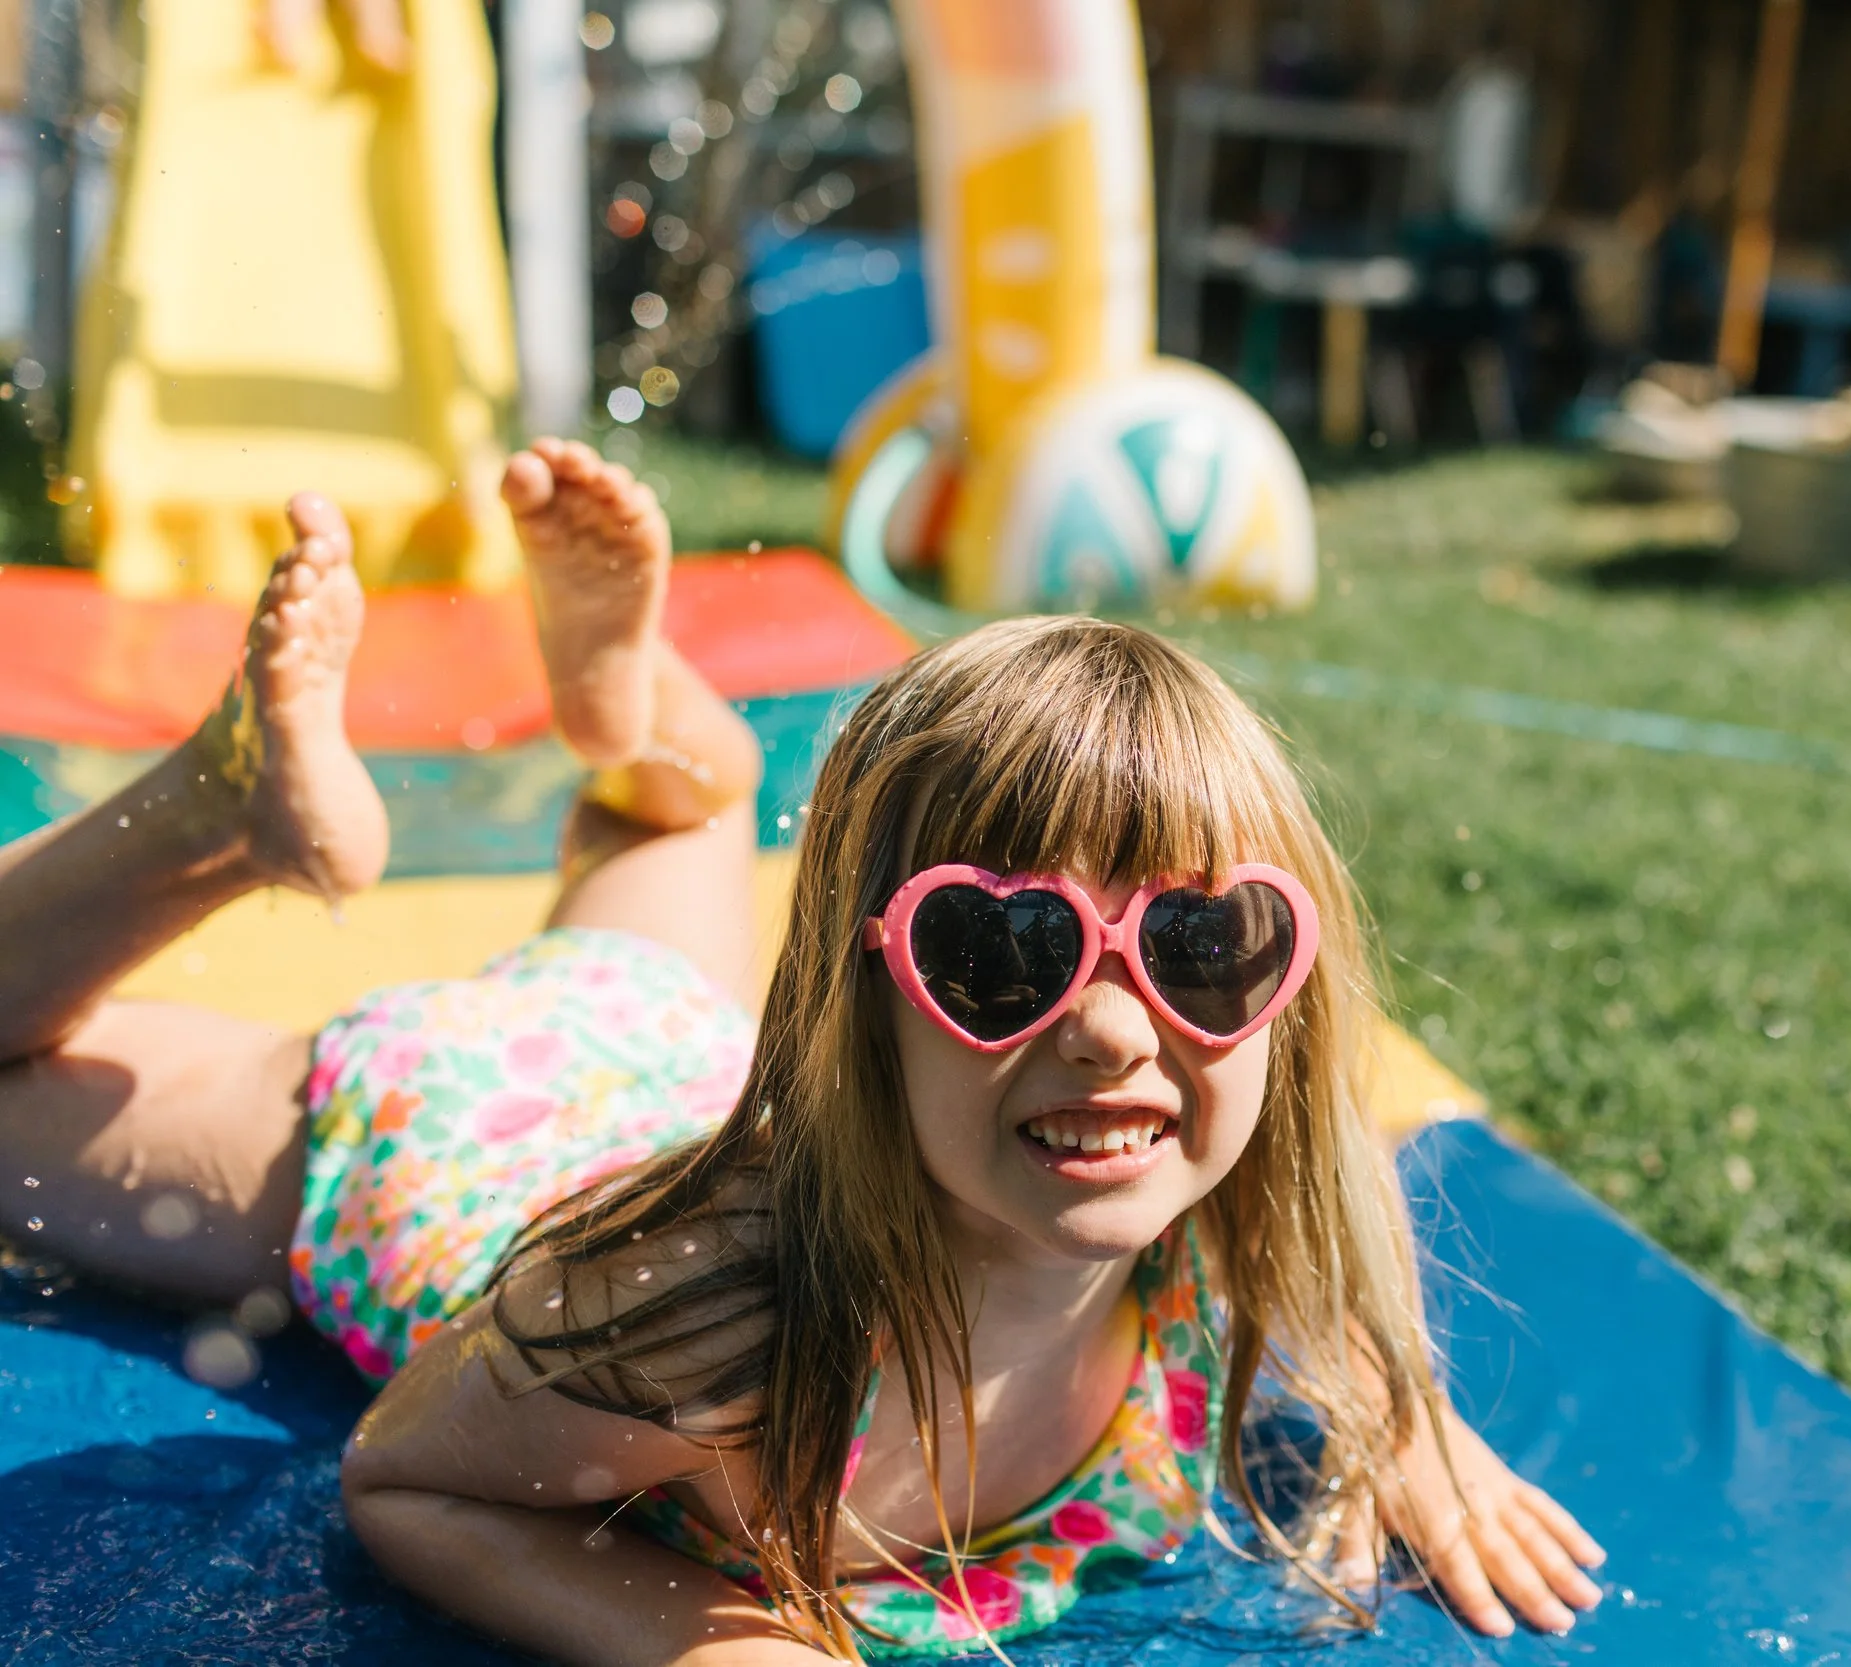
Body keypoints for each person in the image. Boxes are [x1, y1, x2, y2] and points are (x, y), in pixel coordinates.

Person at [0, 441, 1604, 1662]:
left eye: (1202, 946)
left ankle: (637, 710)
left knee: (673, 817)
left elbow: (1328, 1226)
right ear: (861, 995)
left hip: (670, 1047)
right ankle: (216, 815)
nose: (1119, 1027)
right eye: (1000, 950)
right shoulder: (702, 1334)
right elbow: (410, 1478)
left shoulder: (1202, 1204)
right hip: (461, 1126)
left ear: (1285, 1003)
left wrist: (1409, 1415)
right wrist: (718, 1634)